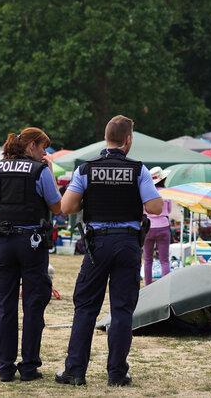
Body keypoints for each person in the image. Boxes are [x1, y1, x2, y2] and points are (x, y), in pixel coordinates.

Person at [56, 115, 162, 387]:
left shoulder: (85, 169)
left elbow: (66, 208)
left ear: (106, 138)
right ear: (128, 140)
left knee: (85, 308)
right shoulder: (139, 170)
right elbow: (155, 208)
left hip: (97, 245)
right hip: (127, 244)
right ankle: (116, 374)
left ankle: (75, 371)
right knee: (122, 310)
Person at [0, 127, 62, 382]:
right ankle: (28, 367)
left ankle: (4, 366)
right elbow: (56, 207)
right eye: (43, 147)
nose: (45, 153)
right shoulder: (40, 170)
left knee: (5, 306)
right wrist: (52, 175)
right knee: (34, 305)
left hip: (3, 243)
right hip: (32, 243)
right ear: (31, 146)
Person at [142, 167, 172, 285]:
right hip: (163, 226)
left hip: (148, 227)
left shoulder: (145, 193)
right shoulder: (166, 193)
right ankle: (165, 285)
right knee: (164, 260)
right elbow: (168, 211)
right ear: (163, 180)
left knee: (147, 260)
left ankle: (147, 285)